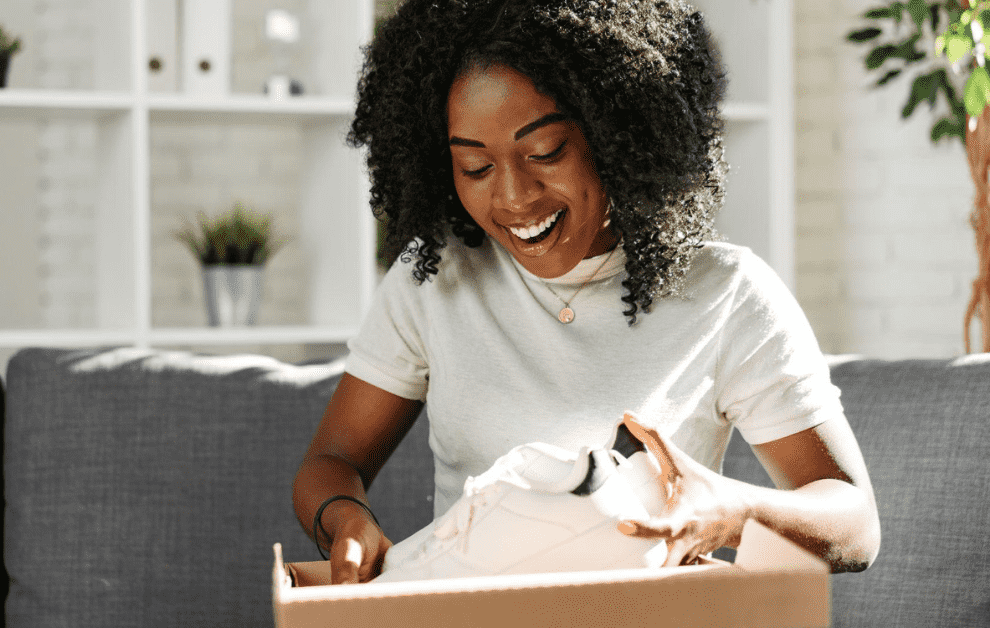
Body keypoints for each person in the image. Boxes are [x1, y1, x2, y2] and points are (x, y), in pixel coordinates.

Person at [293, 0, 880, 585]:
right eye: (475, 166)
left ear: (616, 131)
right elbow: (332, 463)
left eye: (545, 153)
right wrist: (345, 519)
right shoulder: (435, 281)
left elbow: (854, 525)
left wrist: (729, 513)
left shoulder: (727, 295)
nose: (515, 197)